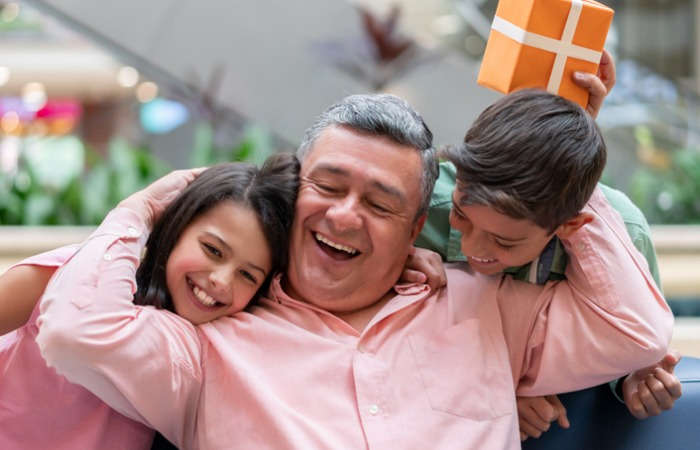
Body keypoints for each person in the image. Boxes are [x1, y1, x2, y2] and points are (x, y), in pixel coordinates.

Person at [35, 93, 673, 449]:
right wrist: (142, 209)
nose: (343, 216)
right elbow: (74, 332)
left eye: (379, 203)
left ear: (420, 222)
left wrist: (562, 167)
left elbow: (634, 330)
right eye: (329, 186)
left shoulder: (485, 308)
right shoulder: (213, 336)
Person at [415, 88, 682, 441]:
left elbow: (626, 346)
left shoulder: (625, 234)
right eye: (460, 214)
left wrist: (633, 379)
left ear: (570, 225)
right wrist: (495, 389)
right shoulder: (415, 204)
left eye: (504, 241)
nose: (472, 246)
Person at [0, 155, 299, 449]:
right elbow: (71, 329)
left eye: (247, 274)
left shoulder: (203, 357)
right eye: (212, 250)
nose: (221, 280)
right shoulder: (76, 274)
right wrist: (137, 210)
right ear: (177, 229)